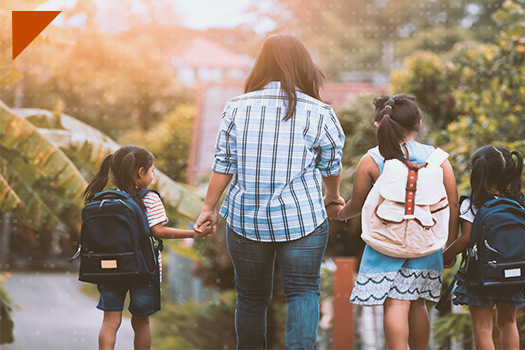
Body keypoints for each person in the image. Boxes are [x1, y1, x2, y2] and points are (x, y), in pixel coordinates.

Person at [193, 34, 345, 349]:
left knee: (250, 298)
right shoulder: (320, 112)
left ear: (262, 65)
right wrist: (332, 198)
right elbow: (331, 165)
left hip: (246, 219)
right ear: (304, 66)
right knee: (303, 292)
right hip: (302, 218)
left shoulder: (236, 107)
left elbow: (223, 164)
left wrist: (208, 208)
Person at [332, 94, 460, 350]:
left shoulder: (372, 159)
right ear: (419, 123)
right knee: (418, 302)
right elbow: (452, 204)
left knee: (395, 303)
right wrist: (449, 244)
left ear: (379, 124)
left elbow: (356, 206)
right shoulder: (438, 159)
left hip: (385, 244)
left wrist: (338, 213)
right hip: (426, 240)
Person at [82, 145, 213, 350]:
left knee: (110, 321)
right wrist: (195, 233)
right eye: (152, 171)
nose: (153, 176)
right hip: (142, 269)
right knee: (141, 322)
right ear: (140, 172)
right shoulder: (149, 198)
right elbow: (159, 231)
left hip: (109, 268)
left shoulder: (107, 199)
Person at [442, 145, 525, 350]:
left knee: (483, 328)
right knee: (509, 323)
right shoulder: (519, 203)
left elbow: (466, 239)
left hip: (482, 275)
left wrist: (444, 256)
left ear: (477, 172)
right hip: (514, 274)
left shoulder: (472, 203)